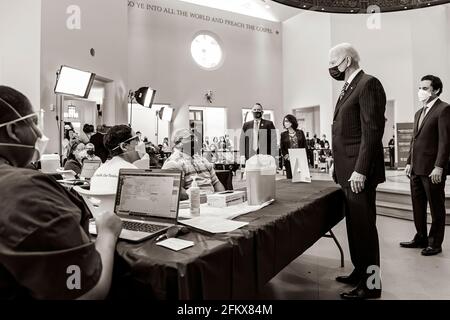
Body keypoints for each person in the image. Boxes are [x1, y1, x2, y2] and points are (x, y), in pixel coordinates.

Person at [0, 85, 122, 299]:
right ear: (12, 130)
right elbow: (82, 290)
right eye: (34, 123)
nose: (39, 134)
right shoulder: (25, 191)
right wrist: (107, 233)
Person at [329, 43, 386, 299]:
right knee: (353, 225)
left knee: (365, 228)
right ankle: (359, 270)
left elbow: (372, 132)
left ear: (348, 60)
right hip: (346, 168)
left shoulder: (368, 84)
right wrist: (336, 162)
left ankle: (372, 284)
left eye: (334, 60)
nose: (330, 66)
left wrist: (361, 170)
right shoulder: (348, 87)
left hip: (358, 173)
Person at [400, 75, 450, 256]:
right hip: (416, 168)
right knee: (417, 205)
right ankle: (420, 237)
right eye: (419, 88)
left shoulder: (443, 109)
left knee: (436, 207)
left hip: (432, 170)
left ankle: (435, 243)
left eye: (425, 88)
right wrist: (408, 162)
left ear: (435, 90)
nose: (420, 91)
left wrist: (439, 166)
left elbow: (445, 142)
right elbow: (415, 140)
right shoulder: (418, 113)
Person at [162, 128, 225, 200]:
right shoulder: (173, 162)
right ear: (178, 143)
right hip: (192, 204)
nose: (194, 141)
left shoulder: (203, 160)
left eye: (194, 138)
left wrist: (222, 198)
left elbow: (216, 183)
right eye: (190, 138)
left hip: (212, 201)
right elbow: (177, 191)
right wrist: (199, 199)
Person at [90, 125, 139, 194]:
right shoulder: (132, 171)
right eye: (136, 139)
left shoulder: (99, 170)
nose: (138, 144)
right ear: (124, 146)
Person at [280, 114, 306, 179]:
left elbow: (304, 145)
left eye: (287, 121)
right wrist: (286, 156)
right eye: (284, 121)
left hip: (300, 158)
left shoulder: (300, 132)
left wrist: (303, 156)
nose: (285, 123)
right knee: (290, 178)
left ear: (292, 122)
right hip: (289, 159)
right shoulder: (283, 134)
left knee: (300, 178)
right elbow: (282, 147)